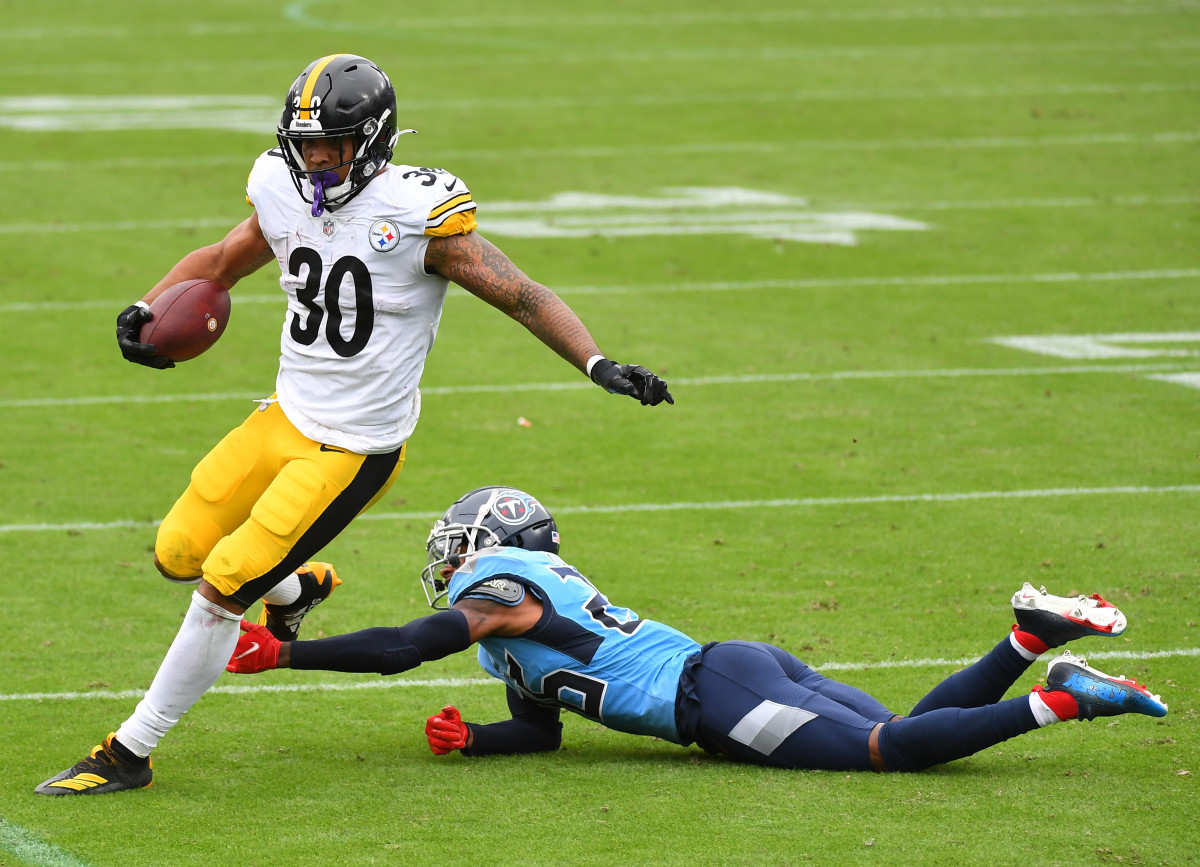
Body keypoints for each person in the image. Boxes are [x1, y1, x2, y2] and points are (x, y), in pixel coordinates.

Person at [35, 55, 671, 796]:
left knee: (221, 585)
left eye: (331, 144)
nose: (315, 159)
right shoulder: (280, 188)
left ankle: (129, 750)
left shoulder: (417, 216)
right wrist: (149, 308)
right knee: (177, 551)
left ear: (370, 140)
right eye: (305, 144)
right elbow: (219, 261)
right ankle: (295, 591)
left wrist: (597, 363)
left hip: (353, 449)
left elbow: (523, 295)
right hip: (283, 417)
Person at [222, 486, 1167, 772]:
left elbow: (407, 644)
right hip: (735, 668)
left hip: (712, 696)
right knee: (908, 725)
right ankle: (1028, 642)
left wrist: (290, 650)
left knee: (890, 751)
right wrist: (479, 739)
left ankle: (1064, 700)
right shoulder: (513, 623)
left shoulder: (493, 589)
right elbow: (545, 726)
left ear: (480, 548)